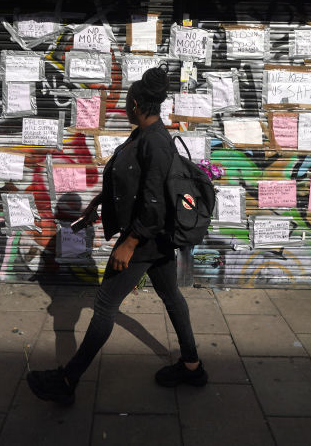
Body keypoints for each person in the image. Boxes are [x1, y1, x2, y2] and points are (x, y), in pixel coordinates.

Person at [27, 67, 206, 404]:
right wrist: (98, 202)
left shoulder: (155, 142)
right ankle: (192, 366)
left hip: (145, 238)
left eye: (126, 100)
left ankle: (67, 380)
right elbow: (131, 182)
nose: (124, 105)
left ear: (136, 103)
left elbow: (153, 203)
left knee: (105, 304)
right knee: (171, 296)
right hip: (155, 237)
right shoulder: (144, 133)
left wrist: (129, 243)